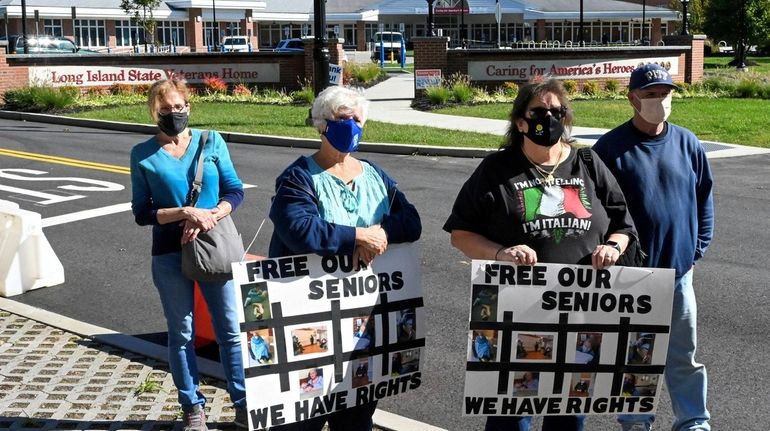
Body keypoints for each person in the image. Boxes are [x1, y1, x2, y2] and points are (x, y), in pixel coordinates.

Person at [443, 78, 638, 431]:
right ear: (520, 122)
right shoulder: (496, 171)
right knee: (510, 416)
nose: (549, 118)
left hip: (581, 312)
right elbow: (461, 234)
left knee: (567, 415)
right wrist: (501, 252)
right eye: (539, 112)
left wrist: (612, 247)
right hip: (517, 313)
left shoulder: (588, 163)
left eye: (557, 111)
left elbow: (624, 226)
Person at [268, 85, 422, 431]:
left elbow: (411, 221)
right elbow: (298, 228)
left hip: (363, 321)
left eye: (356, 119)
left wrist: (382, 233)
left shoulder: (375, 175)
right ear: (322, 124)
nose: (350, 125)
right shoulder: (299, 177)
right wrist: (356, 236)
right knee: (302, 416)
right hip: (310, 318)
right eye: (342, 118)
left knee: (356, 413)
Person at [593, 63, 714, 431]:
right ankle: (635, 422)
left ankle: (693, 422)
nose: (659, 101)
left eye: (665, 94)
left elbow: (703, 198)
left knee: (682, 357)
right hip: (633, 278)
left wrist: (696, 251)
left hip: (679, 275)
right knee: (636, 356)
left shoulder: (687, 142)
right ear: (633, 99)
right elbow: (596, 211)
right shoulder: (609, 149)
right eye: (650, 95)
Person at [130, 79, 246, 431]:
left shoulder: (212, 142)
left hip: (214, 248)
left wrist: (212, 214)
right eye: (166, 109)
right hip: (169, 252)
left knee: (229, 329)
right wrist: (184, 213)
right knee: (181, 333)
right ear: (154, 112)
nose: (174, 114)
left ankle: (243, 403)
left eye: (179, 107)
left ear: (188, 107)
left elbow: (235, 191)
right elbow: (142, 212)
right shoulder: (143, 154)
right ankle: (192, 405)